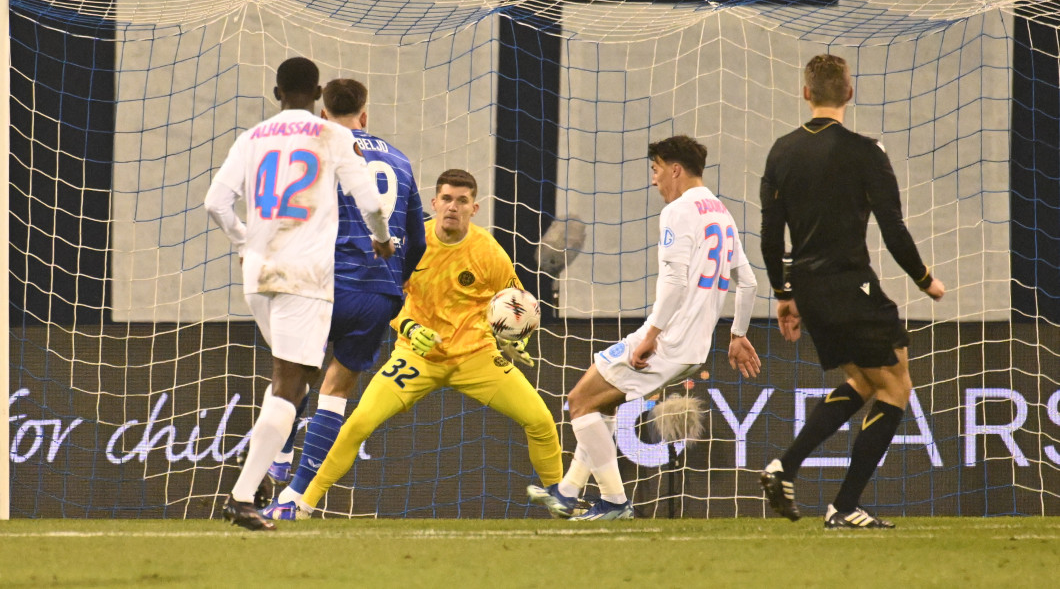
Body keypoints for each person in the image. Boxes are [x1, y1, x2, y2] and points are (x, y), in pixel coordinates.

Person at [286, 169, 563, 516]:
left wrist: (517, 339)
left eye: (462, 201)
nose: (453, 207)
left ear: (474, 208)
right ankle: (303, 504)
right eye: (446, 199)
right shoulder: (412, 244)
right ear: (434, 203)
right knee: (358, 423)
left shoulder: (490, 253)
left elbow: (516, 303)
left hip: (475, 356)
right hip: (417, 358)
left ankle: (559, 503)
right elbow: (384, 297)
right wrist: (410, 327)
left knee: (540, 420)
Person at [528, 135, 761, 521]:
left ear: (675, 169)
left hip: (668, 339)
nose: (654, 181)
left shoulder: (678, 211)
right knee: (600, 404)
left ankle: (616, 502)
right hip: (694, 347)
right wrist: (737, 334)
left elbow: (675, 284)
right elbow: (749, 283)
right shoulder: (722, 213)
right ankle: (568, 491)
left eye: (655, 170)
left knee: (580, 401)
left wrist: (650, 336)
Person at [205, 58, 394, 531]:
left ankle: (261, 473)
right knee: (290, 383)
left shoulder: (250, 138)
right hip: (303, 276)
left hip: (257, 274)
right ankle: (244, 494)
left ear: (276, 92)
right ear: (317, 93)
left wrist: (244, 238)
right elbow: (369, 199)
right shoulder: (330, 135)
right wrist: (382, 237)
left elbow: (215, 202)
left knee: (298, 378)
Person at [758, 54, 946, 529]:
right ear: (850, 92)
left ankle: (786, 466)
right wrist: (925, 279)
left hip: (810, 287)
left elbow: (769, 234)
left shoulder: (781, 151)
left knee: (865, 382)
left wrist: (784, 293)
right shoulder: (866, 152)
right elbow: (893, 228)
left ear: (806, 93)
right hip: (851, 283)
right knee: (897, 387)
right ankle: (843, 506)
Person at [258, 78, 428, 520]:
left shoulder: (317, 149)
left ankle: (279, 453)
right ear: (365, 115)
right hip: (377, 291)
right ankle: (295, 499)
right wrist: (395, 282)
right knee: (336, 389)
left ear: (322, 115)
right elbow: (419, 240)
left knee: (294, 372)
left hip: (322, 283)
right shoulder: (402, 160)